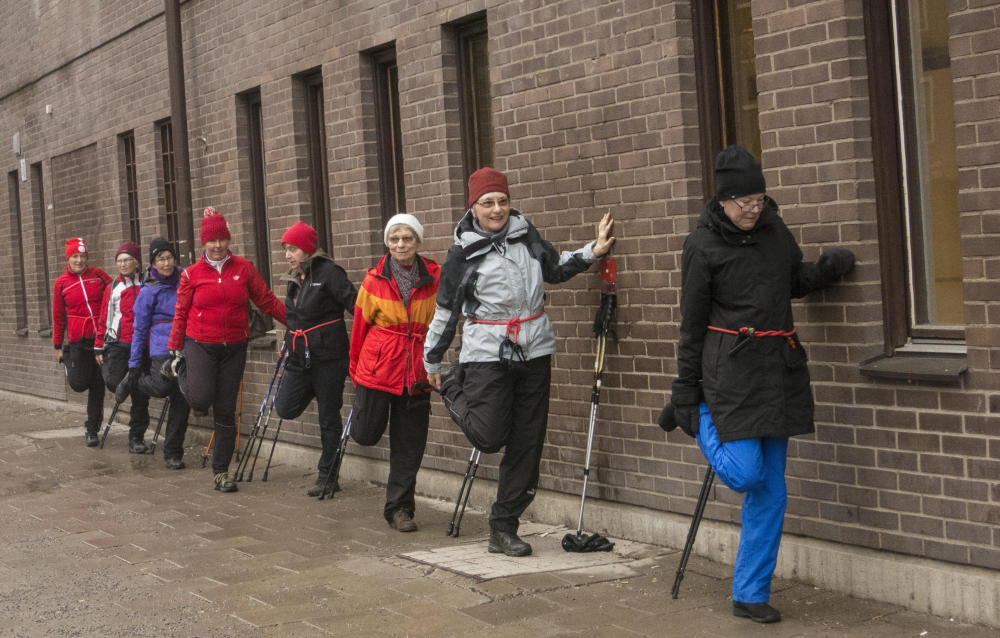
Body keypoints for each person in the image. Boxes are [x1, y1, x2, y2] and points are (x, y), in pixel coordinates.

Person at [662, 145, 855, 624]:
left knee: (772, 489)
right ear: (724, 200)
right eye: (744, 201)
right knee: (747, 473)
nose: (754, 208)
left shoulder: (775, 232)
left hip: (779, 367)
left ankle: (750, 592)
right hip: (729, 372)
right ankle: (703, 415)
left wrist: (826, 272)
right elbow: (692, 324)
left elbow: (790, 282)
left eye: (760, 199)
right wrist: (688, 391)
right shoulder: (702, 245)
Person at [424, 167, 615, 556]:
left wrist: (591, 252)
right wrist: (433, 361)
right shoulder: (461, 254)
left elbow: (554, 268)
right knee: (490, 436)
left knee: (527, 444)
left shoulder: (525, 235)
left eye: (502, 201)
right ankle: (455, 386)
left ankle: (504, 527)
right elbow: (446, 311)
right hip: (486, 355)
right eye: (487, 203)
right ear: (473, 207)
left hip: (535, 351)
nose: (496, 209)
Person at [167, 208, 286, 492]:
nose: (218, 245)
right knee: (199, 397)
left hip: (234, 346)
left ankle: (221, 472)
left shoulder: (244, 268)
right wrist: (174, 348)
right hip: (200, 344)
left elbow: (266, 301)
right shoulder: (191, 275)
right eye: (212, 241)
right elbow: (181, 311)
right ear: (203, 244)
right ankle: (180, 368)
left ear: (228, 240)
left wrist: (294, 321)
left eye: (222, 239)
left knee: (225, 410)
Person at [349, 214, 439, 532]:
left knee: (409, 443)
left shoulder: (435, 277)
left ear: (418, 241)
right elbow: (360, 328)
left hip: (416, 370)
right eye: (394, 239)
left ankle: (400, 509)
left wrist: (435, 362)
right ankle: (358, 421)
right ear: (387, 243)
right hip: (378, 367)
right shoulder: (373, 280)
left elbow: (441, 324)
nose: (400, 244)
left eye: (407, 238)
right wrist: (356, 371)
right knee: (365, 433)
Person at [273, 221, 357, 497]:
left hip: (328, 358)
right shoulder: (295, 278)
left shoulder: (329, 273)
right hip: (300, 358)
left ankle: (328, 476)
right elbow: (294, 318)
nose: (287, 254)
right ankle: (313, 390)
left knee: (328, 418)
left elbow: (355, 306)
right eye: (286, 248)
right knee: (285, 407)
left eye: (293, 248)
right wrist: (287, 344)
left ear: (307, 250)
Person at [125, 238, 191, 469]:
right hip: (161, 346)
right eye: (160, 259)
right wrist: (134, 366)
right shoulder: (148, 291)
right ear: (153, 263)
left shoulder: (186, 279)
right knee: (162, 387)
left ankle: (173, 452)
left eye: (169, 257)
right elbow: (139, 328)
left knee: (182, 398)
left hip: (185, 343)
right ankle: (138, 383)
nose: (166, 263)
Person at [53, 237, 112, 446]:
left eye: (82, 256)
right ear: (68, 258)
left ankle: (92, 429)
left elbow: (115, 293)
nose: (79, 260)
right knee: (79, 384)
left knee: (98, 384)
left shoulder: (98, 275)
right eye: (75, 256)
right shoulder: (61, 283)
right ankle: (70, 359)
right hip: (78, 341)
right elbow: (59, 317)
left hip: (100, 339)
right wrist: (58, 346)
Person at [95, 241, 150, 453]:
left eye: (128, 260)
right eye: (120, 261)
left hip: (142, 345)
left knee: (140, 396)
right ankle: (129, 379)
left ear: (136, 262)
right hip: (119, 344)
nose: (124, 264)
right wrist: (99, 345)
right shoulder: (112, 288)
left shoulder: (146, 283)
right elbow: (104, 318)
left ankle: (136, 438)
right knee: (113, 381)